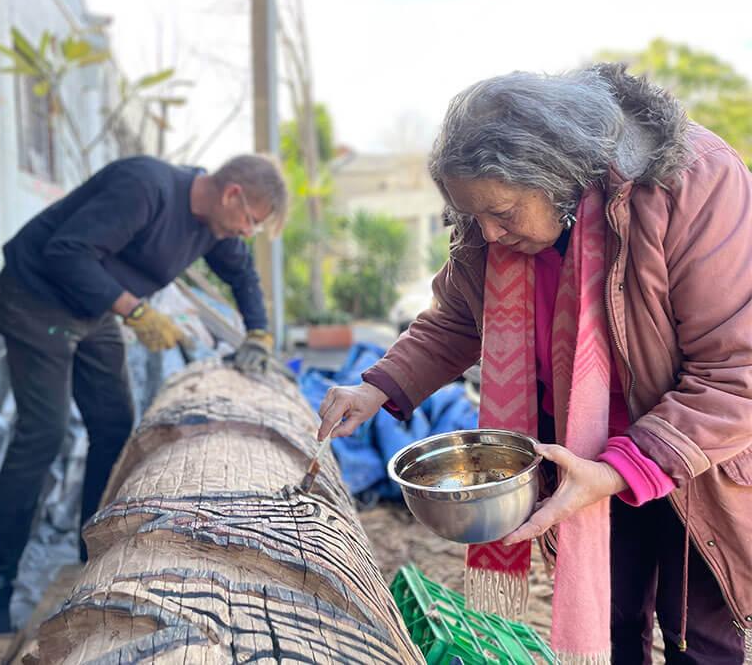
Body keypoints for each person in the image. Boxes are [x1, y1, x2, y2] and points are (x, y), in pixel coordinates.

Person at [318, 64, 752, 664]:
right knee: (613, 621)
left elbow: (736, 373)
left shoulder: (693, 182)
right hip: (582, 451)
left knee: (698, 636)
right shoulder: (487, 227)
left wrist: (625, 466)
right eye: (476, 218)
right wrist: (378, 387)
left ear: (557, 178)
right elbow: (459, 319)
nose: (490, 236)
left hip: (694, 452)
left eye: (503, 214)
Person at [0, 154, 288, 634]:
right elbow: (67, 251)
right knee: (43, 435)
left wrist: (259, 333)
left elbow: (242, 274)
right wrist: (136, 312)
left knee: (115, 426)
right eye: (251, 220)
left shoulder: (214, 227)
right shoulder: (146, 187)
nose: (247, 232)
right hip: (35, 296)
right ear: (232, 195)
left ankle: (90, 558)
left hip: (91, 310)